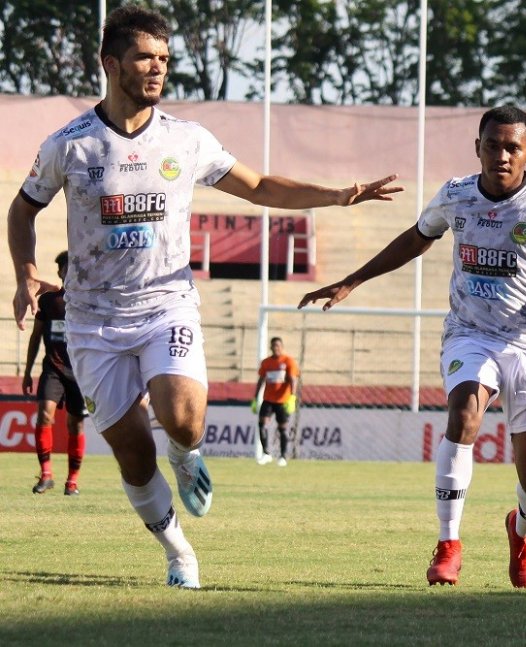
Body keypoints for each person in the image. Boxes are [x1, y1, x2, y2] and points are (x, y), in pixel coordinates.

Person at [7, 5, 401, 590]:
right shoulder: (70, 146)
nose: (158, 68)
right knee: (135, 456)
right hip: (93, 322)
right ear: (110, 63)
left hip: (167, 303)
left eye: (164, 59)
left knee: (185, 420)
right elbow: (23, 208)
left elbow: (260, 185)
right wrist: (26, 273)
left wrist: (339, 195)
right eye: (146, 57)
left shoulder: (186, 140)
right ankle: (178, 553)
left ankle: (188, 456)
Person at [299, 105, 526, 589]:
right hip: (471, 333)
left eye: (512, 148)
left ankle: (521, 534)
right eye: (491, 145)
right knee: (463, 415)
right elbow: (416, 239)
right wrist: (352, 281)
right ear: (476, 147)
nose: (501, 155)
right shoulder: (456, 196)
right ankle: (448, 544)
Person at [22, 251, 86, 496]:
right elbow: (36, 337)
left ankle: (72, 481)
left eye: (73, 267)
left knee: (75, 425)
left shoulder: (88, 302)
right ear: (60, 272)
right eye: (65, 268)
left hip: (80, 372)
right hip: (53, 368)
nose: (69, 272)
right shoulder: (49, 301)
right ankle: (46, 474)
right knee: (44, 415)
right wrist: (27, 372)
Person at [252, 336, 300, 466]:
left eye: (278, 346)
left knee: (282, 428)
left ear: (282, 347)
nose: (276, 348)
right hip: (268, 399)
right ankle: (267, 453)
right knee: (262, 423)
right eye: (273, 346)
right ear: (270, 347)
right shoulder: (266, 362)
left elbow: (293, 380)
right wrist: (256, 398)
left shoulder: (288, 361)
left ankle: (283, 456)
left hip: (283, 400)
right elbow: (261, 380)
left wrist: (292, 397)